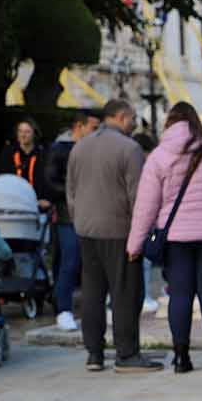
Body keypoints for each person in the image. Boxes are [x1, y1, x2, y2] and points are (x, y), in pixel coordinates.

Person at [126, 101, 202, 375]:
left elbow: (146, 206)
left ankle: (181, 358)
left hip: (177, 237)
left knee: (180, 295)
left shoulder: (159, 155)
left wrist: (134, 245)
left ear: (170, 123)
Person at [67, 99, 159, 373]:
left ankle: (94, 353)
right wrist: (140, 235)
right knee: (125, 292)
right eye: (131, 118)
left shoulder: (80, 146)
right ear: (120, 117)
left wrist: (79, 220)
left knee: (93, 292)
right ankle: (127, 353)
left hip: (86, 229)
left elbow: (71, 191)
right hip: (119, 230)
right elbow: (137, 197)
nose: (134, 123)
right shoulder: (129, 149)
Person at [43, 110, 101, 331]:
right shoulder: (59, 149)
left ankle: (88, 306)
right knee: (70, 260)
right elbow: (49, 181)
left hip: (91, 212)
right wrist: (75, 193)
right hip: (68, 213)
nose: (97, 133)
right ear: (80, 126)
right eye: (94, 128)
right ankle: (64, 309)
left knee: (91, 261)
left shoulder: (94, 148)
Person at [0, 119, 48, 208]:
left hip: (38, 205)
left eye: (27, 132)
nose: (23, 135)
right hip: (12, 205)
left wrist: (47, 199)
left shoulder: (43, 155)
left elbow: (49, 180)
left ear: (34, 134)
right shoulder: (8, 154)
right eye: (20, 131)